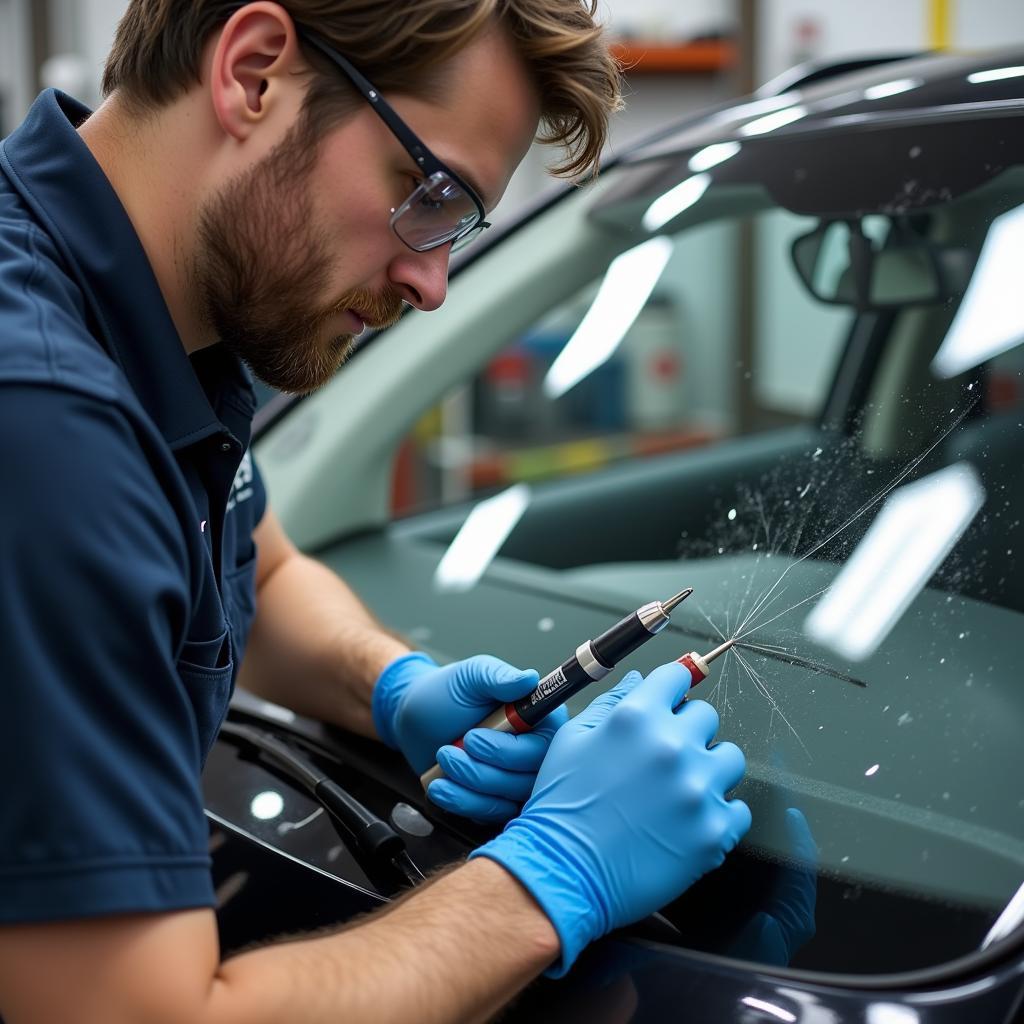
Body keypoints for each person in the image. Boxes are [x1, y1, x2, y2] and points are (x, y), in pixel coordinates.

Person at [0, 1, 751, 1020]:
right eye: (429, 192)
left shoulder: (149, 317)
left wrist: (391, 685)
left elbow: (256, 572)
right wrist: (547, 876)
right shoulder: (48, 427)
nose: (433, 281)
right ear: (254, 72)